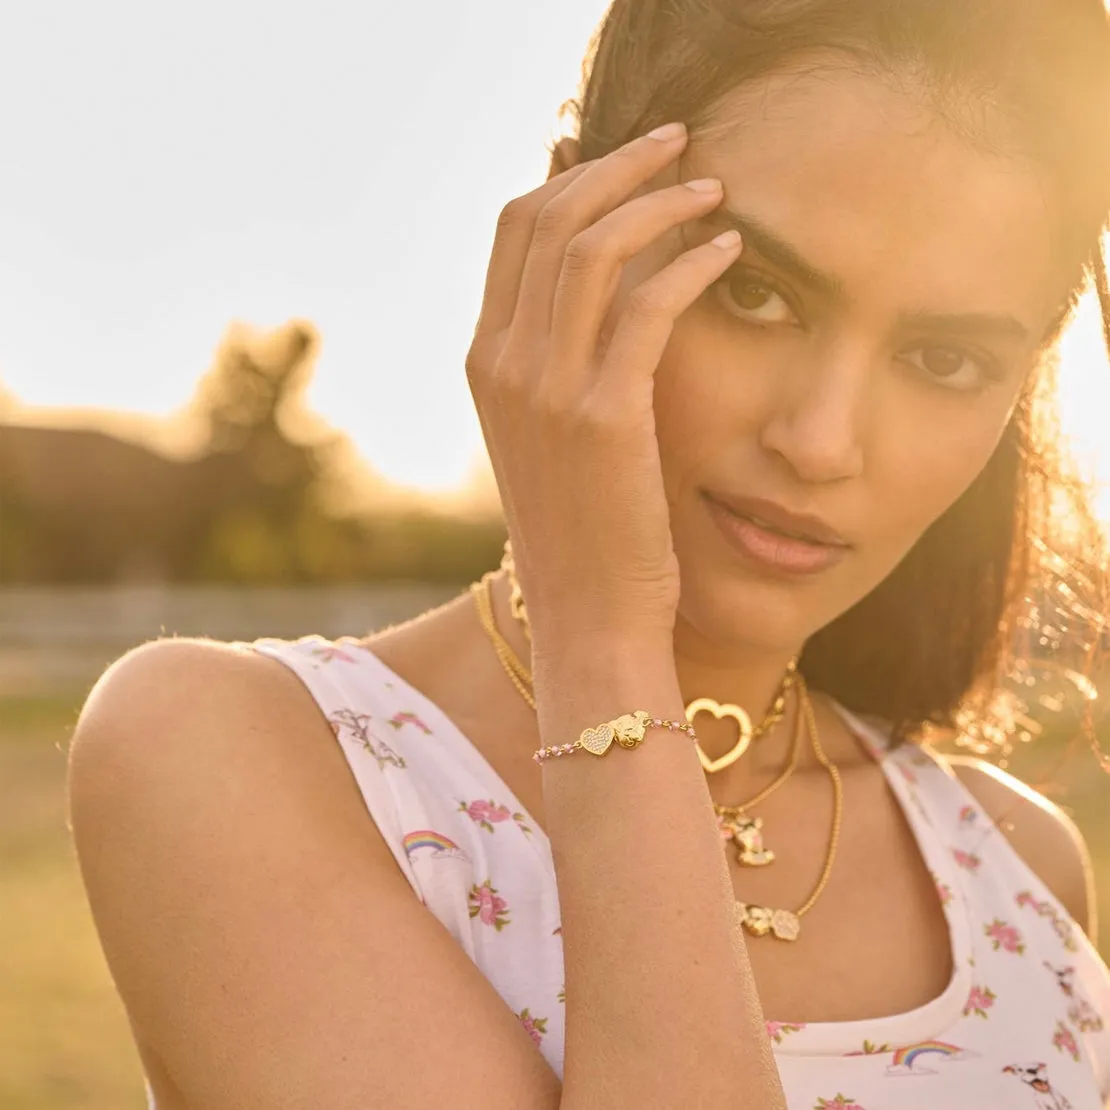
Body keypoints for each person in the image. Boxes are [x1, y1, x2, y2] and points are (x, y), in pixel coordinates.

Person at [66, 1, 1110, 1107]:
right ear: (563, 234)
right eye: (754, 293)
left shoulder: (1014, 862)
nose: (820, 441)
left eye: (945, 359)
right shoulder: (233, 751)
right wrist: (606, 643)